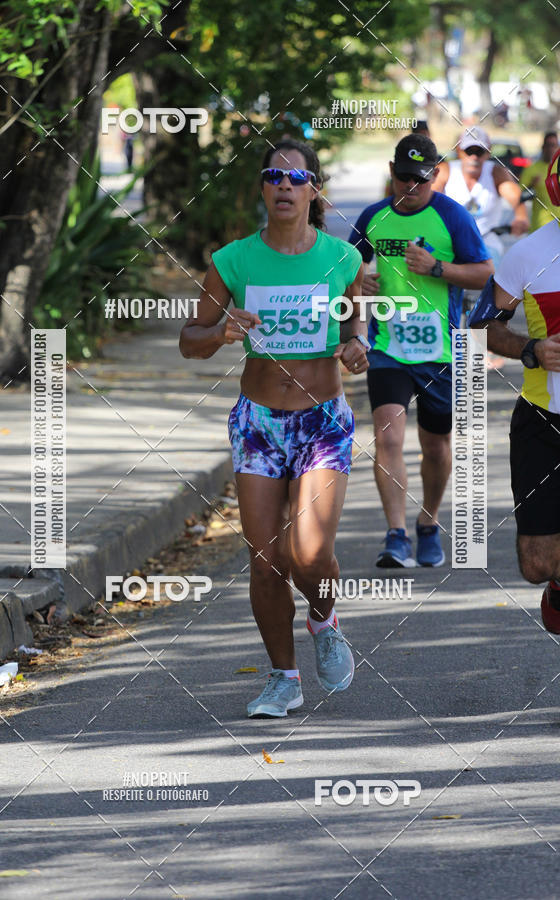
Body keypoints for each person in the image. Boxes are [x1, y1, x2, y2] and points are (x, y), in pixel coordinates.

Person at [180, 139, 368, 717]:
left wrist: (357, 343)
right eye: (272, 177)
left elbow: (355, 320)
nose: (284, 187)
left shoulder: (343, 259)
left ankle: (324, 618)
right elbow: (190, 341)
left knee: (309, 554)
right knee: (265, 559)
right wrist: (220, 334)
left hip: (322, 422)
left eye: (296, 179)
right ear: (262, 188)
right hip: (258, 423)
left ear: (313, 190)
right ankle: (284, 679)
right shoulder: (233, 260)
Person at [348, 134, 493, 568]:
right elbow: (347, 272)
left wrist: (438, 269)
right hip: (387, 347)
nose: (411, 188)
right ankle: (395, 535)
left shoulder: (452, 217)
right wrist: (362, 285)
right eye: (404, 178)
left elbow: (486, 274)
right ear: (392, 173)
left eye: (421, 180)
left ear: (435, 176)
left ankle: (428, 522)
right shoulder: (373, 217)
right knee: (388, 437)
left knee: (436, 445)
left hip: (442, 352)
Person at [468, 147, 560, 632]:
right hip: (543, 420)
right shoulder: (529, 254)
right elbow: (481, 325)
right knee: (538, 564)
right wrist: (532, 349)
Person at [432, 126, 529, 268]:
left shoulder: (497, 173)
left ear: (488, 152)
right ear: (459, 151)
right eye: (469, 151)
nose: (474, 157)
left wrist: (521, 217)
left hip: (487, 240)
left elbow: (515, 197)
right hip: (451, 240)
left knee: (492, 276)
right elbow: (429, 198)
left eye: (479, 152)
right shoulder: (445, 170)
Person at [523, 131, 559, 232]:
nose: (551, 149)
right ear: (543, 147)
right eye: (548, 145)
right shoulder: (531, 169)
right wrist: (531, 186)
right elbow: (519, 197)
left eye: (554, 145)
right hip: (540, 227)